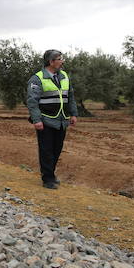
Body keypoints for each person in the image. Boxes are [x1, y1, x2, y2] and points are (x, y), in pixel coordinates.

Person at [26, 49, 77, 189]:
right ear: (51, 62)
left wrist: (73, 114)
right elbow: (32, 101)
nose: (63, 61)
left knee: (57, 149)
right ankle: (47, 178)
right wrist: (36, 120)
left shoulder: (65, 76)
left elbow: (70, 97)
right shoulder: (37, 78)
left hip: (62, 120)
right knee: (46, 150)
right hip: (46, 120)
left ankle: (51, 174)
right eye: (60, 59)